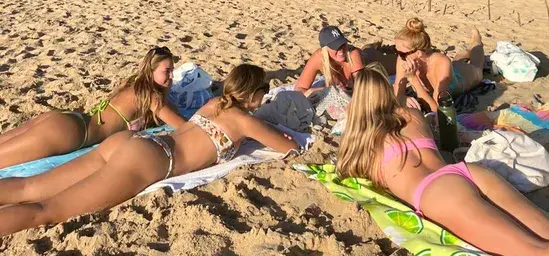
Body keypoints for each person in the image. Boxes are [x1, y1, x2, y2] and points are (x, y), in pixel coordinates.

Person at [0, 64, 299, 235]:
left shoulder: (212, 105)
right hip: (151, 160)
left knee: (30, 187)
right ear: (255, 94)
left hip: (130, 142)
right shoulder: (246, 121)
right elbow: (290, 147)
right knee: (47, 211)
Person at [337, 67, 549, 256]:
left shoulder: (363, 142)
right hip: (468, 172)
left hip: (435, 192)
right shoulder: (412, 116)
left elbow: (345, 170)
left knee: (537, 251)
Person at [0, 46, 186, 169]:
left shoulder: (131, 83)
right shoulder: (151, 96)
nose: (171, 77)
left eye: (172, 71)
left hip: (66, 120)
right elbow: (182, 125)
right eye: (166, 72)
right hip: (70, 134)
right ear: (150, 71)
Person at [393, 19, 484, 111]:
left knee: (477, 68)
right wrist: (402, 98)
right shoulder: (403, 59)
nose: (399, 56)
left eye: (401, 53)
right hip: (447, 70)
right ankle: (466, 52)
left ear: (419, 53)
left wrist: (413, 79)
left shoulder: (441, 63)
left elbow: (437, 109)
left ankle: (477, 42)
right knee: (457, 61)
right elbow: (398, 94)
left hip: (459, 80)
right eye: (396, 50)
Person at [295, 26, 365, 95]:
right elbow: (299, 89)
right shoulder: (319, 57)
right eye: (336, 46)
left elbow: (361, 89)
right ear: (325, 49)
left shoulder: (353, 54)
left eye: (342, 44)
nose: (341, 49)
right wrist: (319, 91)